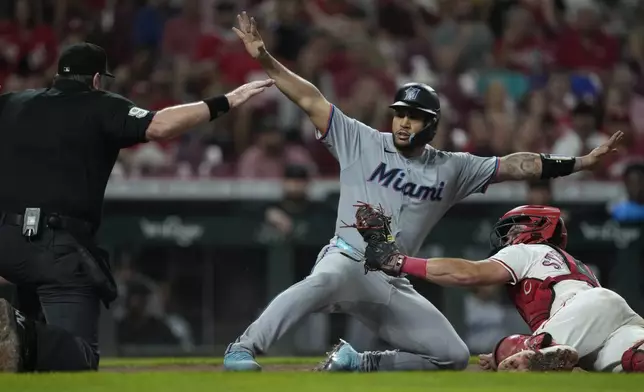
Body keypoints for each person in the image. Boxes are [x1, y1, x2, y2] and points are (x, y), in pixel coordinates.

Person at [223, 11, 623, 373]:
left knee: (451, 355)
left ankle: (357, 361)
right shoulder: (359, 139)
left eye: (414, 117)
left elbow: (518, 164)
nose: (403, 122)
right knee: (319, 283)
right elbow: (309, 97)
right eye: (400, 113)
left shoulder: (453, 167)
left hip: (391, 278)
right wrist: (264, 59)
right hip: (346, 257)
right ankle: (243, 348)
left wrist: (581, 163)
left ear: (431, 124)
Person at [0, 42, 273, 372]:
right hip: (57, 247)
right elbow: (160, 125)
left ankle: (17, 328)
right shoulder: (100, 104)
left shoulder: (13, 103)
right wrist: (226, 101)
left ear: (58, 75)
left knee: (31, 361)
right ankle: (20, 332)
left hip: (7, 240)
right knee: (79, 358)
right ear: (97, 79)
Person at [357, 204, 644, 372]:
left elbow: (468, 274)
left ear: (536, 229)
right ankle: (547, 350)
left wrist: (400, 262)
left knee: (506, 349)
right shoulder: (573, 262)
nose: (509, 236)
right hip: (612, 312)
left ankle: (537, 352)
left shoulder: (528, 250)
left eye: (515, 228)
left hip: (581, 312)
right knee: (633, 361)